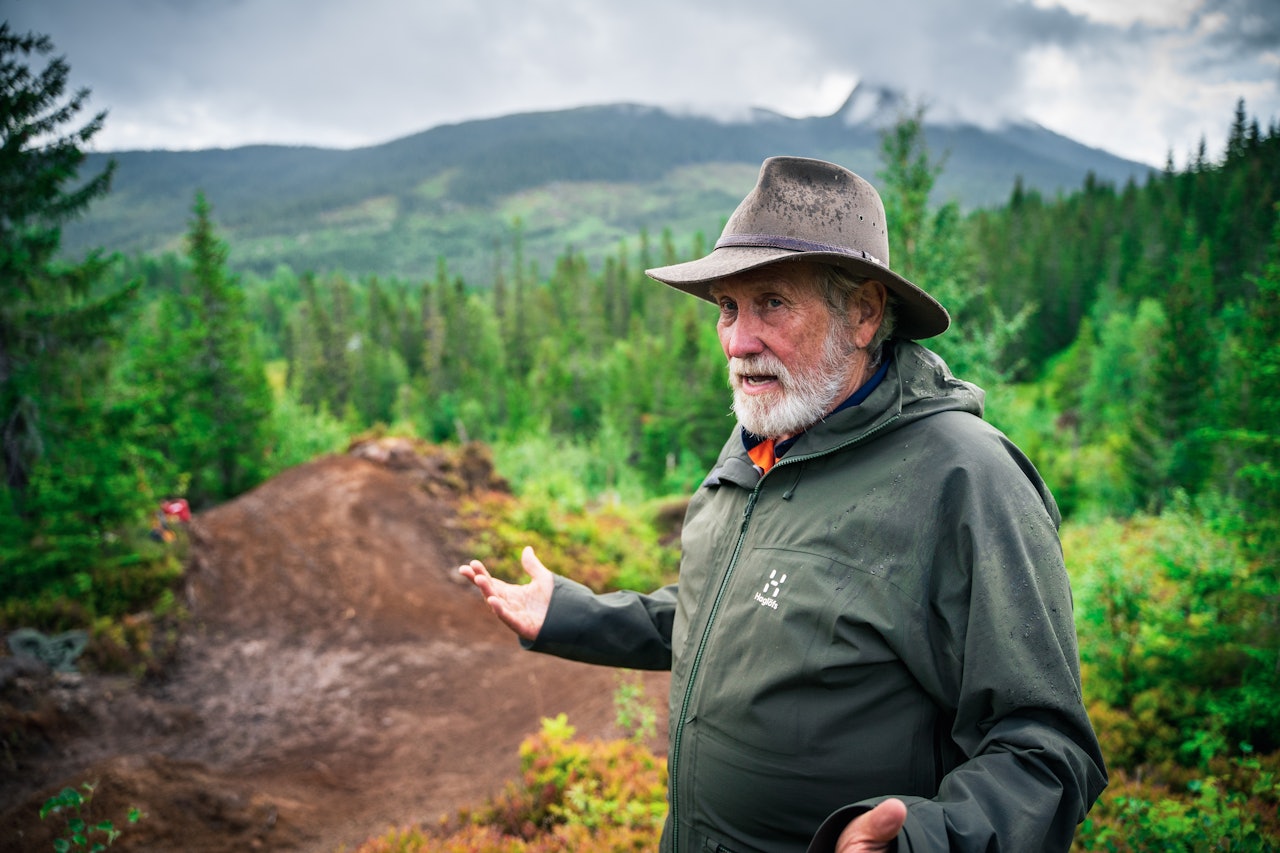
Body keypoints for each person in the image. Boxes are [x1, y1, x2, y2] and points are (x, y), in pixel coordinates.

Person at [460, 156, 1107, 852]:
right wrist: (569, 613)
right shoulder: (760, 442)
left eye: (771, 302)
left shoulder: (965, 477)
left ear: (863, 312)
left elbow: (1046, 749)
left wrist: (920, 840)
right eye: (728, 309)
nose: (739, 343)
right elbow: (729, 610)